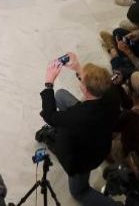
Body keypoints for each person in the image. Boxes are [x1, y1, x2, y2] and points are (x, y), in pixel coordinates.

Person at [39, 53, 120, 206]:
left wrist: (49, 83)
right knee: (61, 95)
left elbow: (49, 116)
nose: (80, 80)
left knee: (79, 192)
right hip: (101, 136)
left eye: (81, 80)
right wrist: (77, 67)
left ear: (85, 90)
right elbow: (94, 83)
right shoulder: (111, 92)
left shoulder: (75, 117)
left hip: (85, 157)